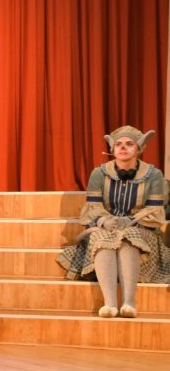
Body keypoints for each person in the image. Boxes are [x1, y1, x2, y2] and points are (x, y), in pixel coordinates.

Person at [58, 126, 168, 316]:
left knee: (129, 237)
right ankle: (109, 304)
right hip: (106, 227)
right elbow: (93, 207)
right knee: (103, 238)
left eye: (129, 144)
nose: (123, 147)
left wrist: (131, 220)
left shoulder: (154, 175)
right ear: (112, 149)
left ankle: (128, 303)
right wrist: (104, 220)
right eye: (119, 144)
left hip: (143, 228)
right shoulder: (99, 173)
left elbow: (154, 210)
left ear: (139, 149)